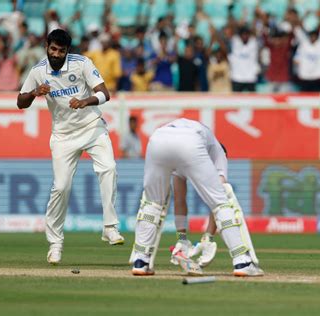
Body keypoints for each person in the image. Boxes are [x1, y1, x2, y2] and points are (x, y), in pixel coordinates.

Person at [16, 29, 124, 265]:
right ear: (47, 46)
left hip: (92, 126)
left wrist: (86, 101)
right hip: (63, 136)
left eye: (61, 51)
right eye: (52, 49)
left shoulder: (82, 63)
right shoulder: (38, 71)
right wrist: (35, 93)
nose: (56, 54)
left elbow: (105, 94)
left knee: (109, 168)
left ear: (67, 51)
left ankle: (110, 227)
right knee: (61, 187)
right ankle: (55, 243)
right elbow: (20, 103)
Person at [131, 118, 263, 277]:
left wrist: (182, 237)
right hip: (189, 141)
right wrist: (207, 237)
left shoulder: (194, 143)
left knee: (153, 203)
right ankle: (242, 261)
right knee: (222, 203)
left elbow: (180, 199)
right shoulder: (218, 153)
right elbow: (217, 203)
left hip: (157, 139)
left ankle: (141, 261)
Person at [170, 143, 230, 268]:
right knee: (218, 194)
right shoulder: (217, 153)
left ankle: (183, 240)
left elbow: (179, 199)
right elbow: (218, 195)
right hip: (188, 151)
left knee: (179, 196)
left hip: (181, 150)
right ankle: (206, 239)